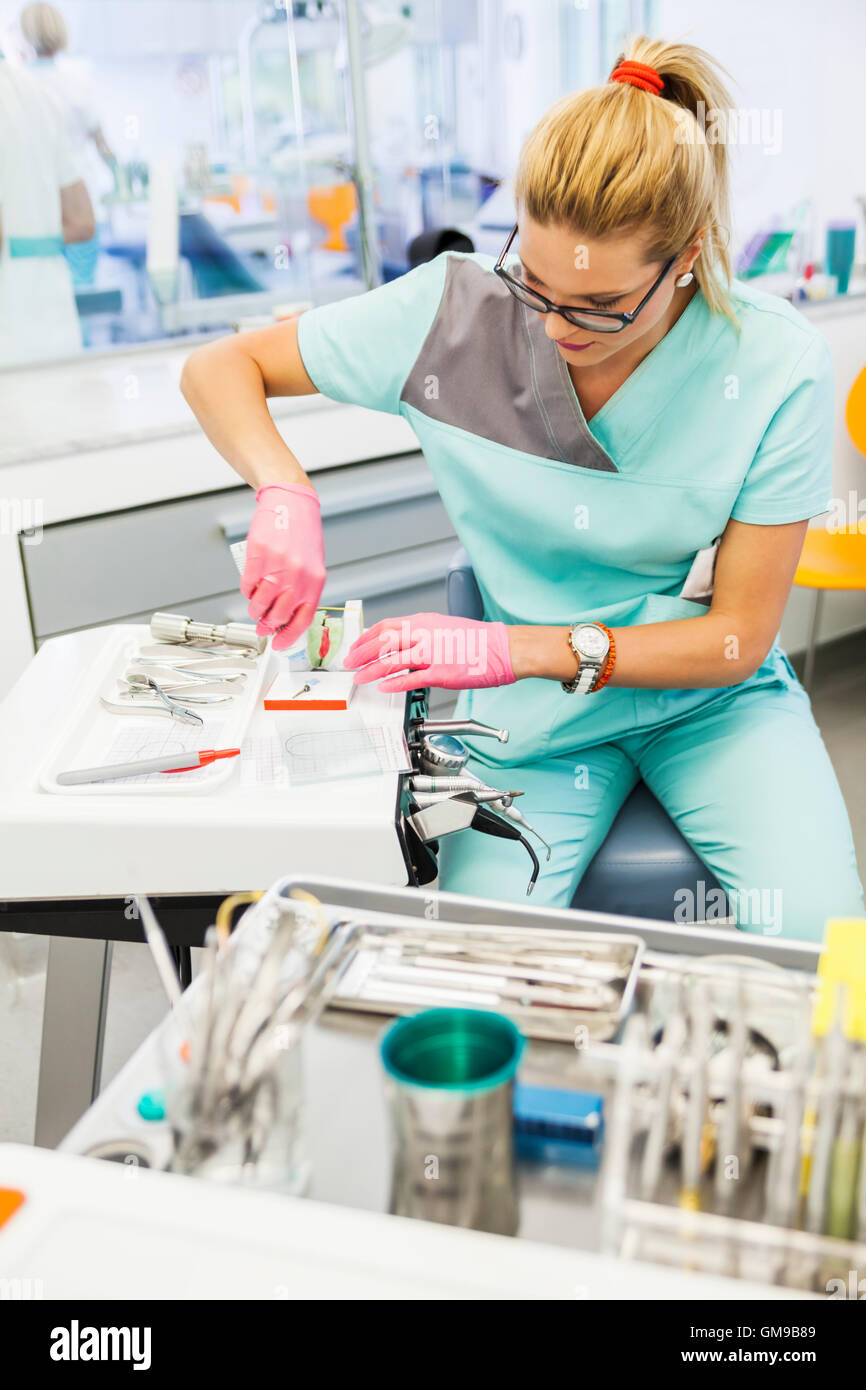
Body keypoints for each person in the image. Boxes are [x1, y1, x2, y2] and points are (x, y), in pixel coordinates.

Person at [180, 37, 864, 942]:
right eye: (533, 284)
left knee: (823, 945)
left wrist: (519, 648)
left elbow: (736, 639)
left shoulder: (774, 365)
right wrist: (283, 490)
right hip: (534, 724)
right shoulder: (455, 318)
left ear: (689, 259)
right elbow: (218, 366)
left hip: (709, 701)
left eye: (598, 306)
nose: (551, 326)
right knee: (466, 963)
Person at [20, 2, 114, 285]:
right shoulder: (78, 82)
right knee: (82, 294)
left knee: (37, 298)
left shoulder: (17, 86)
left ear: (23, 35)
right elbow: (103, 147)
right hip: (80, 209)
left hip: (33, 214)